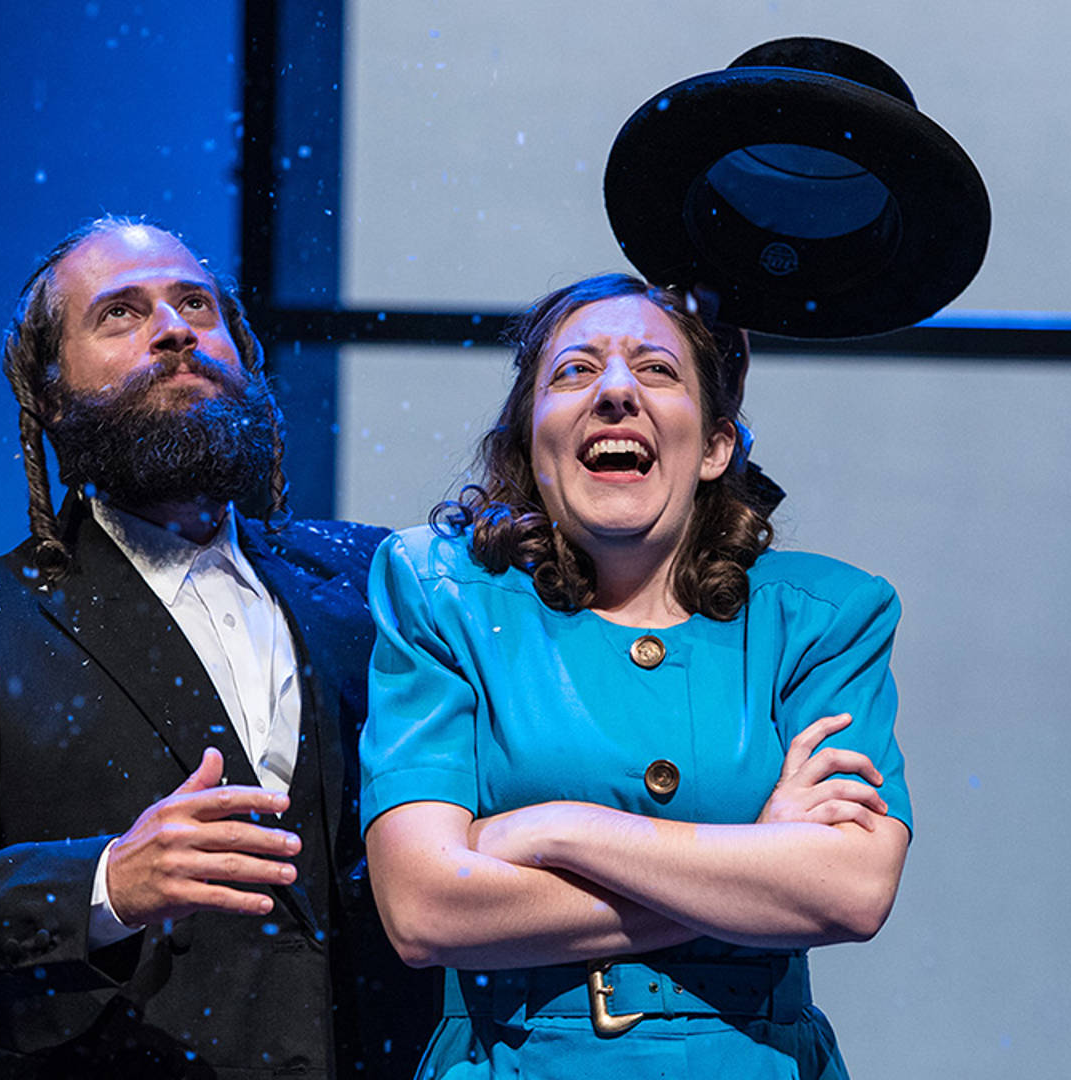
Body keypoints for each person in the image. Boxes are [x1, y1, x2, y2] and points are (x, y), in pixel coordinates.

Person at [0, 217, 433, 1077]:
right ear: (51, 392)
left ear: (246, 355)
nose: (177, 327)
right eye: (121, 313)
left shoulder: (376, 581)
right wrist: (108, 884)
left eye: (197, 304)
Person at [360, 274, 912, 1077]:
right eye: (574, 371)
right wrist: (754, 863)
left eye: (656, 369)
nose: (616, 391)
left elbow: (850, 892)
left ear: (717, 445)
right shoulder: (439, 593)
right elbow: (424, 908)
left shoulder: (826, 616)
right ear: (530, 444)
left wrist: (552, 830)